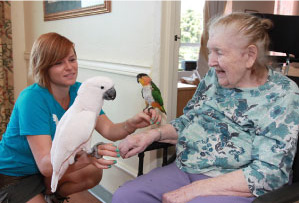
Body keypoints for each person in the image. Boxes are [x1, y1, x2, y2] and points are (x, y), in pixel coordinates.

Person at [112, 12, 299, 203]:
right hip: (187, 168)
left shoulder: (282, 93)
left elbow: (270, 172)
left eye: (219, 52)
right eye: (210, 51)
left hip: (237, 182)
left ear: (250, 55)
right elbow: (189, 121)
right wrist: (152, 135)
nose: (210, 61)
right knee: (126, 197)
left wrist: (194, 190)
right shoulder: (214, 77)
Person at [0, 32, 161, 203]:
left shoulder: (81, 90)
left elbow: (110, 130)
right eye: (58, 63)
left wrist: (132, 123)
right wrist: (89, 158)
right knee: (89, 164)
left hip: (47, 174)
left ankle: (52, 195)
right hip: (16, 175)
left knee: (93, 172)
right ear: (43, 67)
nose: (69, 67)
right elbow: (47, 166)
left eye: (72, 59)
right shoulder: (31, 99)